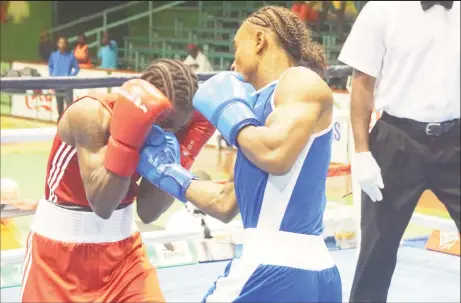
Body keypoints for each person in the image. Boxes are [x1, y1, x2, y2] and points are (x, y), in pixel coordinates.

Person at [136, 6, 342, 303]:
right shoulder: (260, 116)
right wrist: (166, 171)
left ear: (259, 40)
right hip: (310, 272)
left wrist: (229, 113)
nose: (232, 63)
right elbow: (225, 203)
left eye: (237, 47)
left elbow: (276, 154)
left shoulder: (298, 80)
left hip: (272, 268)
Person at [20, 59, 215, 303]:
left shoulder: (172, 129)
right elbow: (102, 205)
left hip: (124, 255)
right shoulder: (91, 114)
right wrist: (128, 139)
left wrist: (179, 159)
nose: (169, 135)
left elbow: (148, 212)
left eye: (178, 128)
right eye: (165, 126)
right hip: (59, 258)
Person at [338, 1, 460, 302]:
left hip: (456, 139)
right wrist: (362, 152)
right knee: (377, 249)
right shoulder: (382, 9)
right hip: (396, 141)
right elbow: (362, 84)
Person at [48, 36, 80, 118]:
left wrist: (70, 77)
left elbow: (77, 68)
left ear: (66, 45)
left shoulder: (70, 56)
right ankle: (60, 125)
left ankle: (70, 125)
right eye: (60, 43)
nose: (62, 45)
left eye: (64, 43)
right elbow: (50, 66)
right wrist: (52, 75)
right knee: (59, 107)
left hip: (67, 85)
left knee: (69, 106)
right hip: (57, 84)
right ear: (58, 44)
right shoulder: (53, 55)